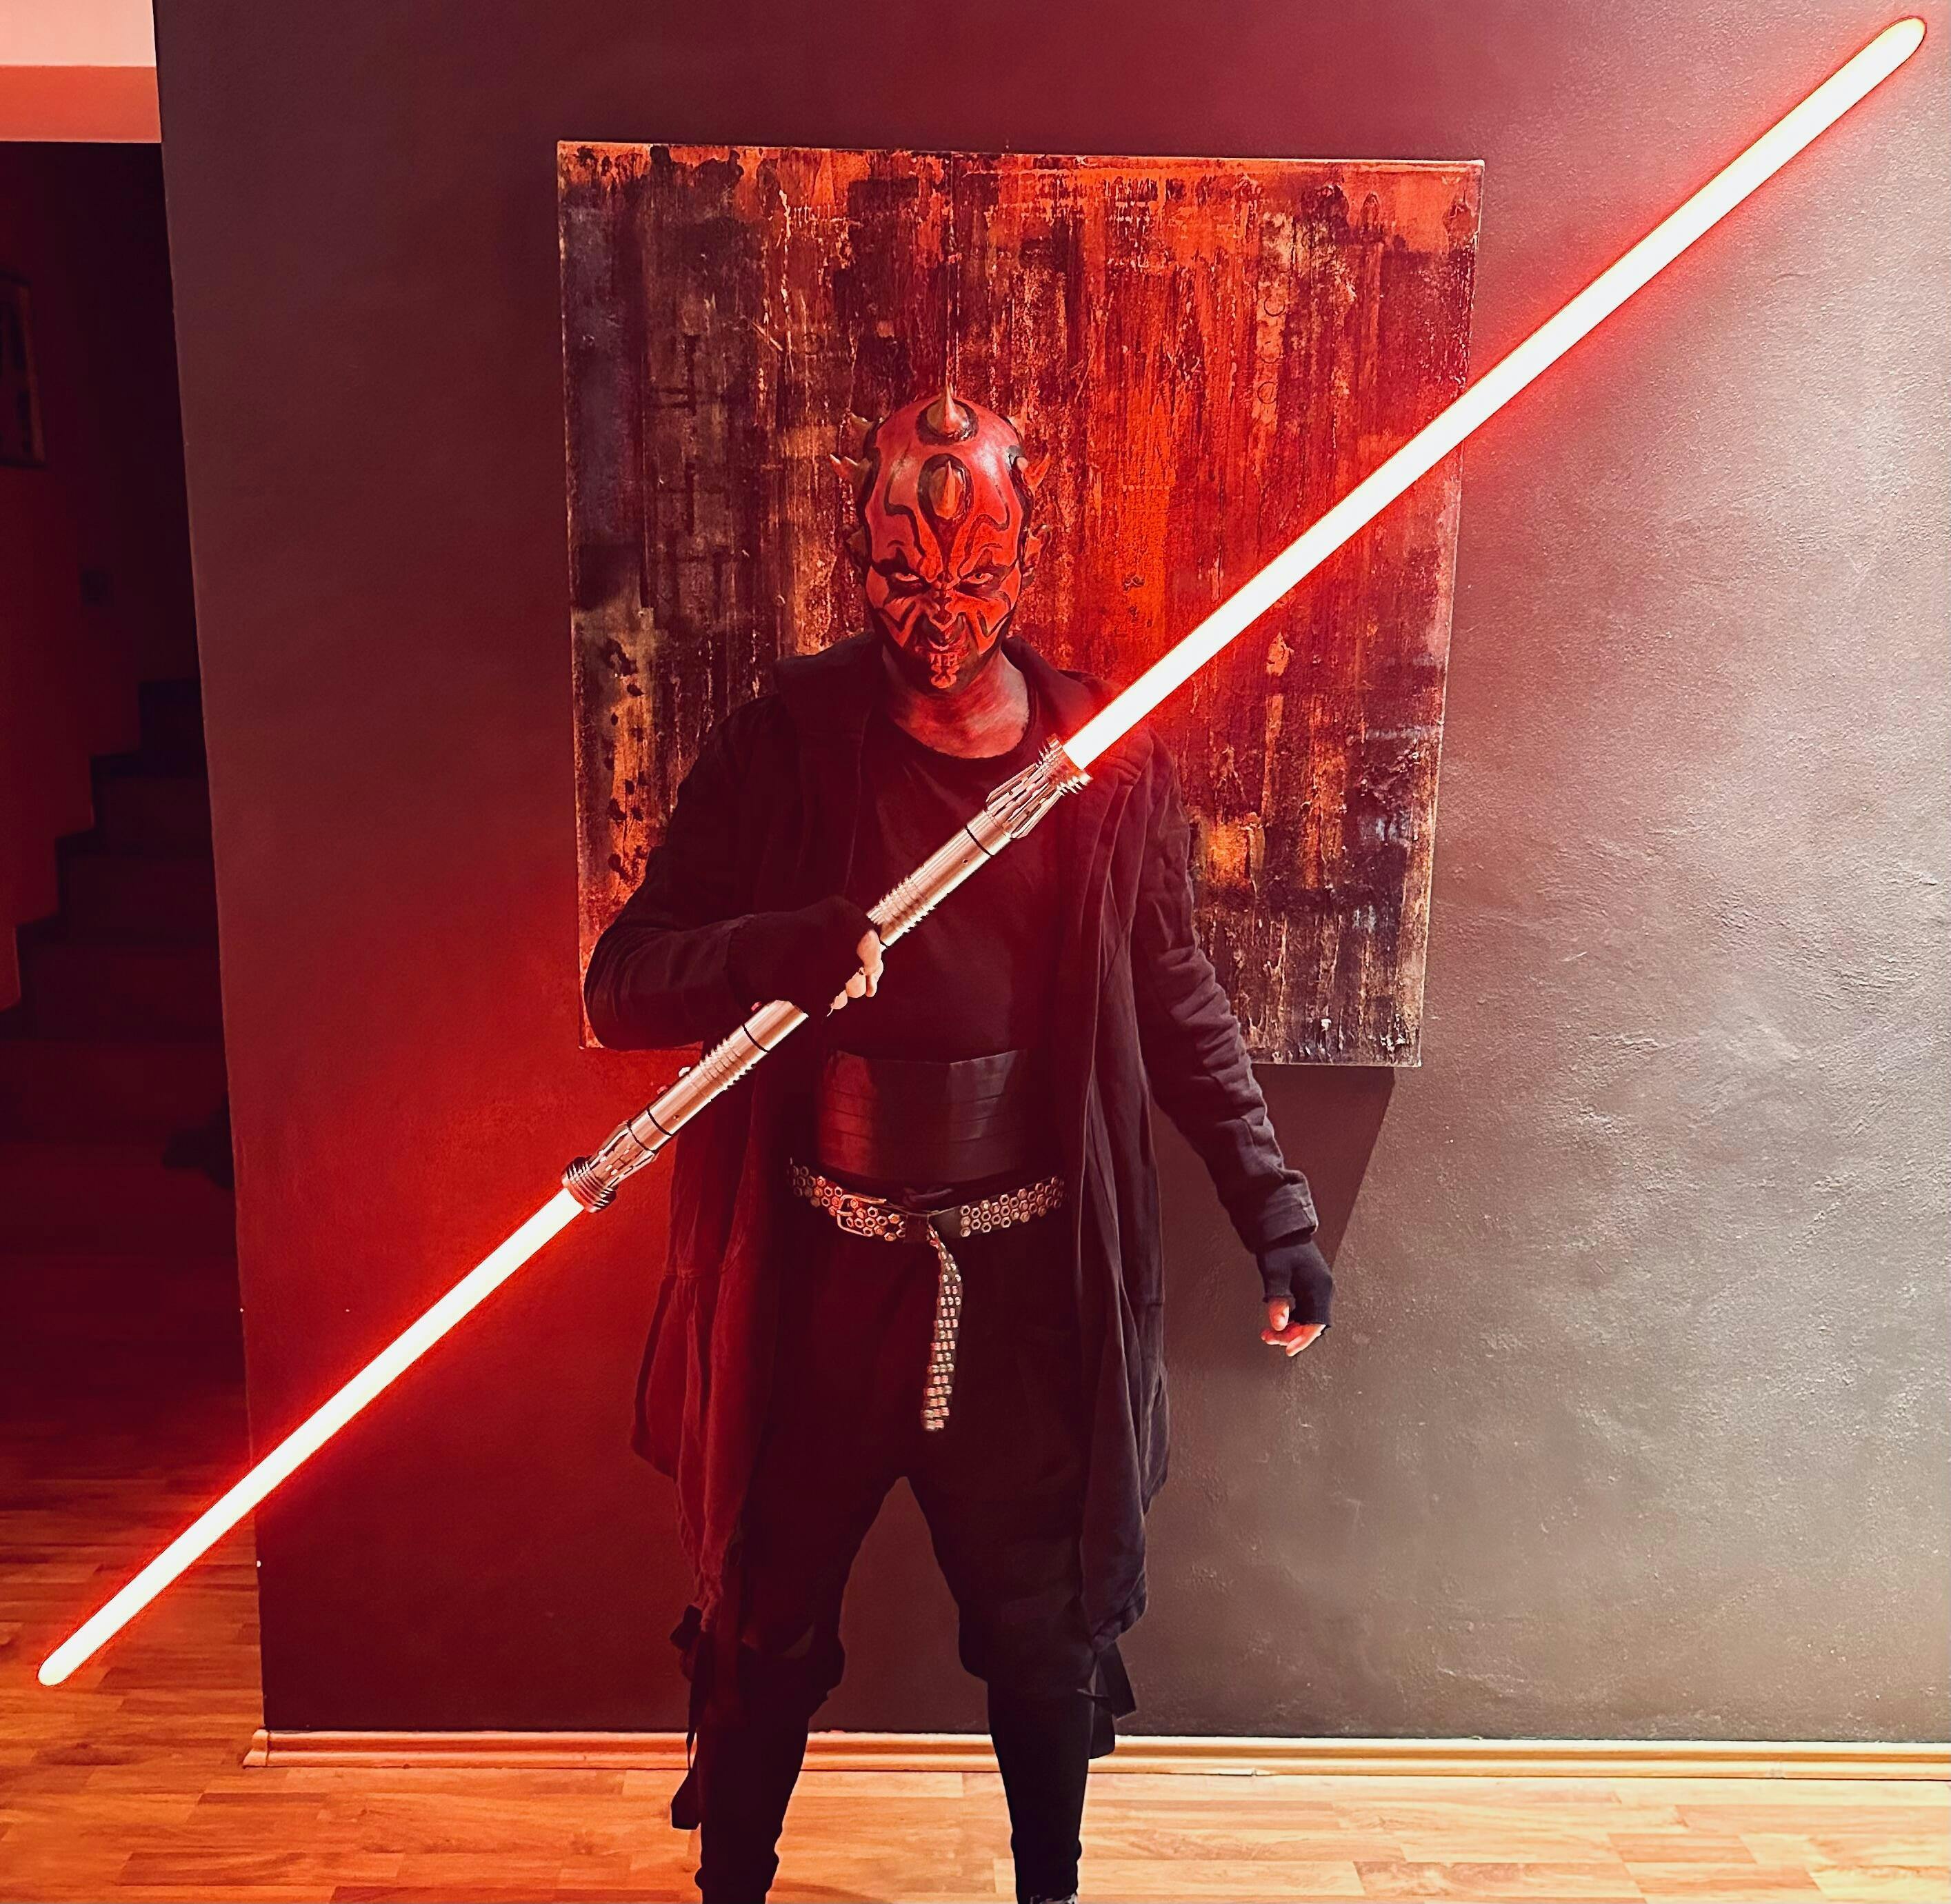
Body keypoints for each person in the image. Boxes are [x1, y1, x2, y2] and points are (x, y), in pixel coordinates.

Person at [585, 382, 1333, 1904]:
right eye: (904, 577)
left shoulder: (1098, 758)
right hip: (816, 1276)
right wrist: (761, 949)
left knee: (1045, 1635)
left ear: (1025, 557)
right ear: (858, 558)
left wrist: (1275, 1210)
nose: (939, 614)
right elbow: (622, 987)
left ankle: (1048, 1894)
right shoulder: (784, 746)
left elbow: (1174, 997)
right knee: (758, 1624)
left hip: (1024, 1285)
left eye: (976, 576)